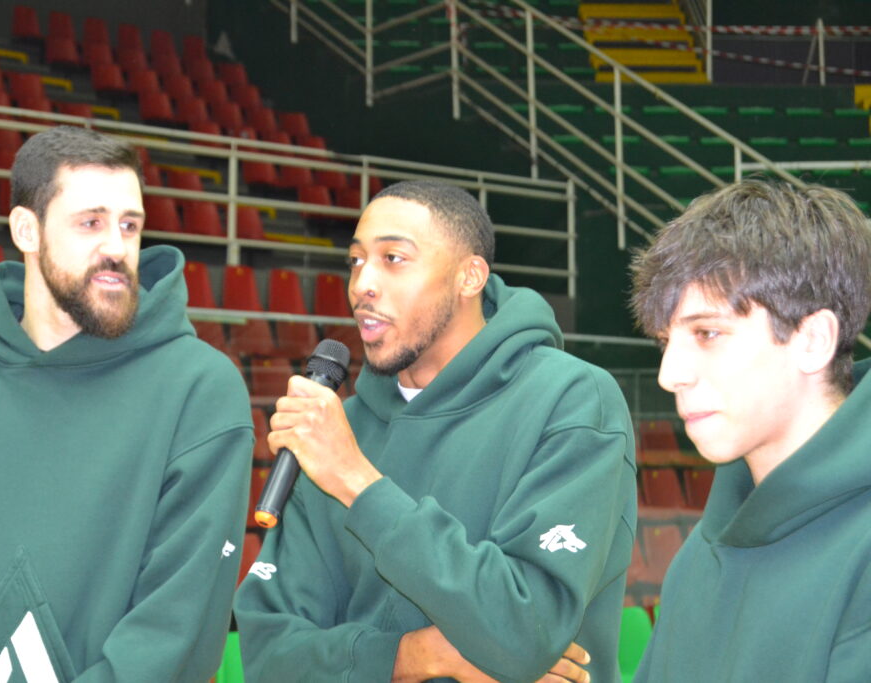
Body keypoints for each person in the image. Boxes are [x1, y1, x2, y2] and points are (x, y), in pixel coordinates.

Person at [0, 126, 253, 681]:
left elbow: (173, 635)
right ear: (26, 229)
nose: (117, 247)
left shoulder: (199, 391)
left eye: (129, 225)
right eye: (90, 222)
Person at [235, 179, 637, 682]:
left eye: (393, 258)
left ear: (469, 277)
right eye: (356, 260)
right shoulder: (337, 432)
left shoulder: (571, 399)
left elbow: (525, 632)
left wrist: (358, 481)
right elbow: (269, 656)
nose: (362, 284)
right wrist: (414, 657)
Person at [630, 179, 871, 681]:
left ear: (812, 340)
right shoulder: (699, 555)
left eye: (707, 333)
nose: (669, 374)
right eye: (665, 341)